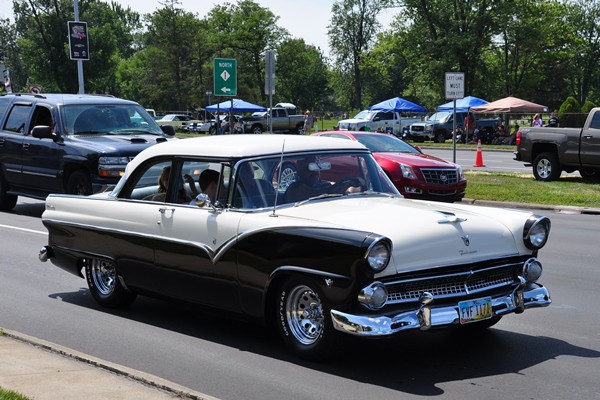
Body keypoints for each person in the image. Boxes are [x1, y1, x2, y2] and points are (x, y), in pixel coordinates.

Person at [283, 157, 364, 203]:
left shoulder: (321, 184)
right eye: (308, 168)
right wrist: (346, 183)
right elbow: (321, 194)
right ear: (300, 172)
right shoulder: (295, 189)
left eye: (316, 167)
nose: (314, 172)